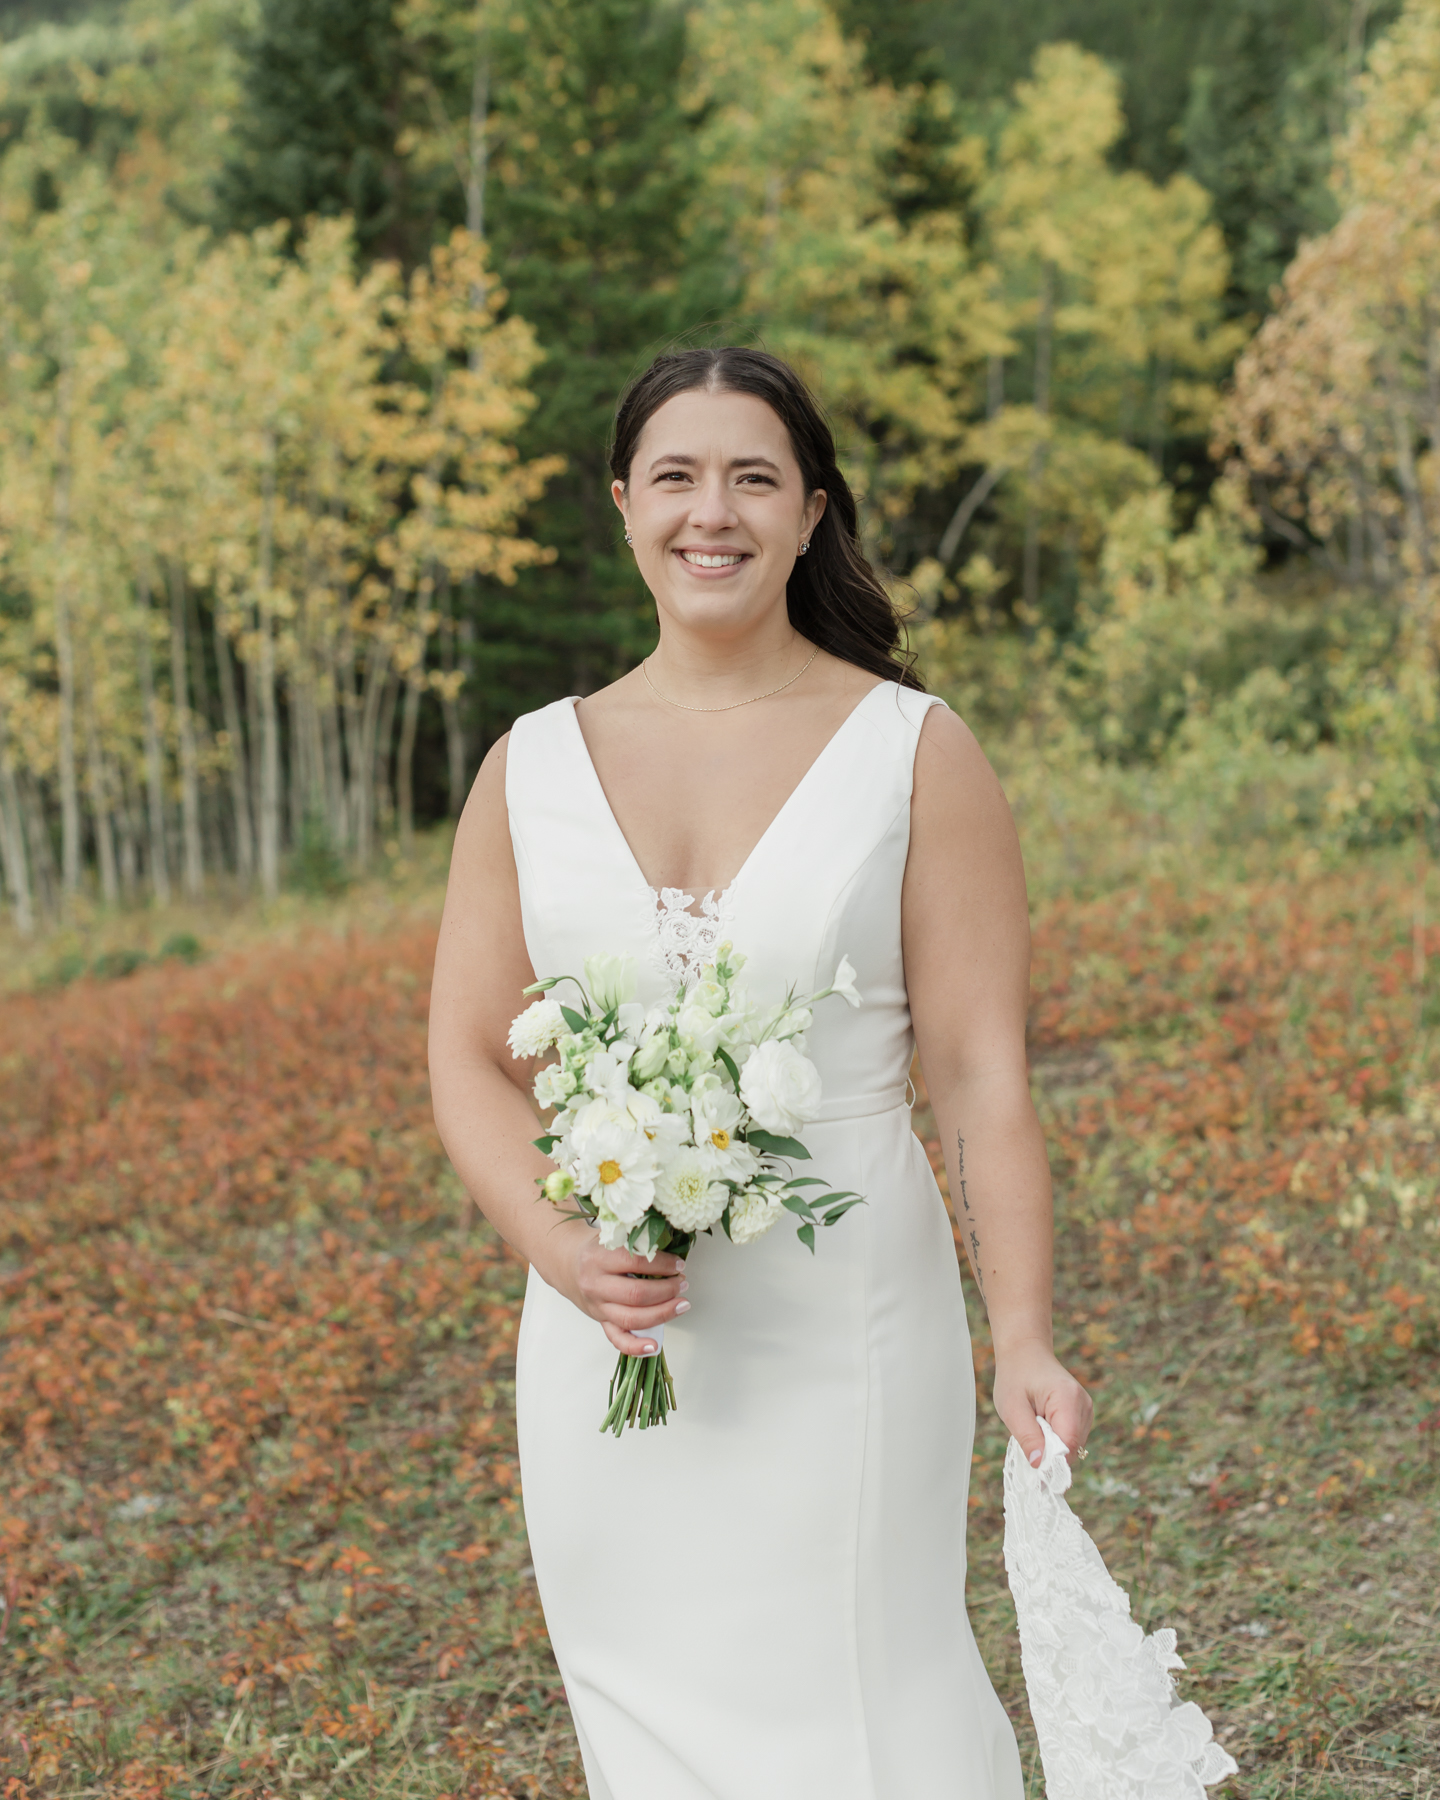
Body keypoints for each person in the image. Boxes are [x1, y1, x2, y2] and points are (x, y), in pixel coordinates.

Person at [428, 346, 1092, 1800]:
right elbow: (470, 1053)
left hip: (845, 1322)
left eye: (751, 478)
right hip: (612, 1338)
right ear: (620, 505)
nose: (708, 512)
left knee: (871, 1705)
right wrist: (557, 1246)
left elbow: (982, 1074)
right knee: (649, 1718)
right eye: (674, 476)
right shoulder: (529, 765)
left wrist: (1026, 1333)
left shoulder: (913, 751)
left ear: (809, 513)